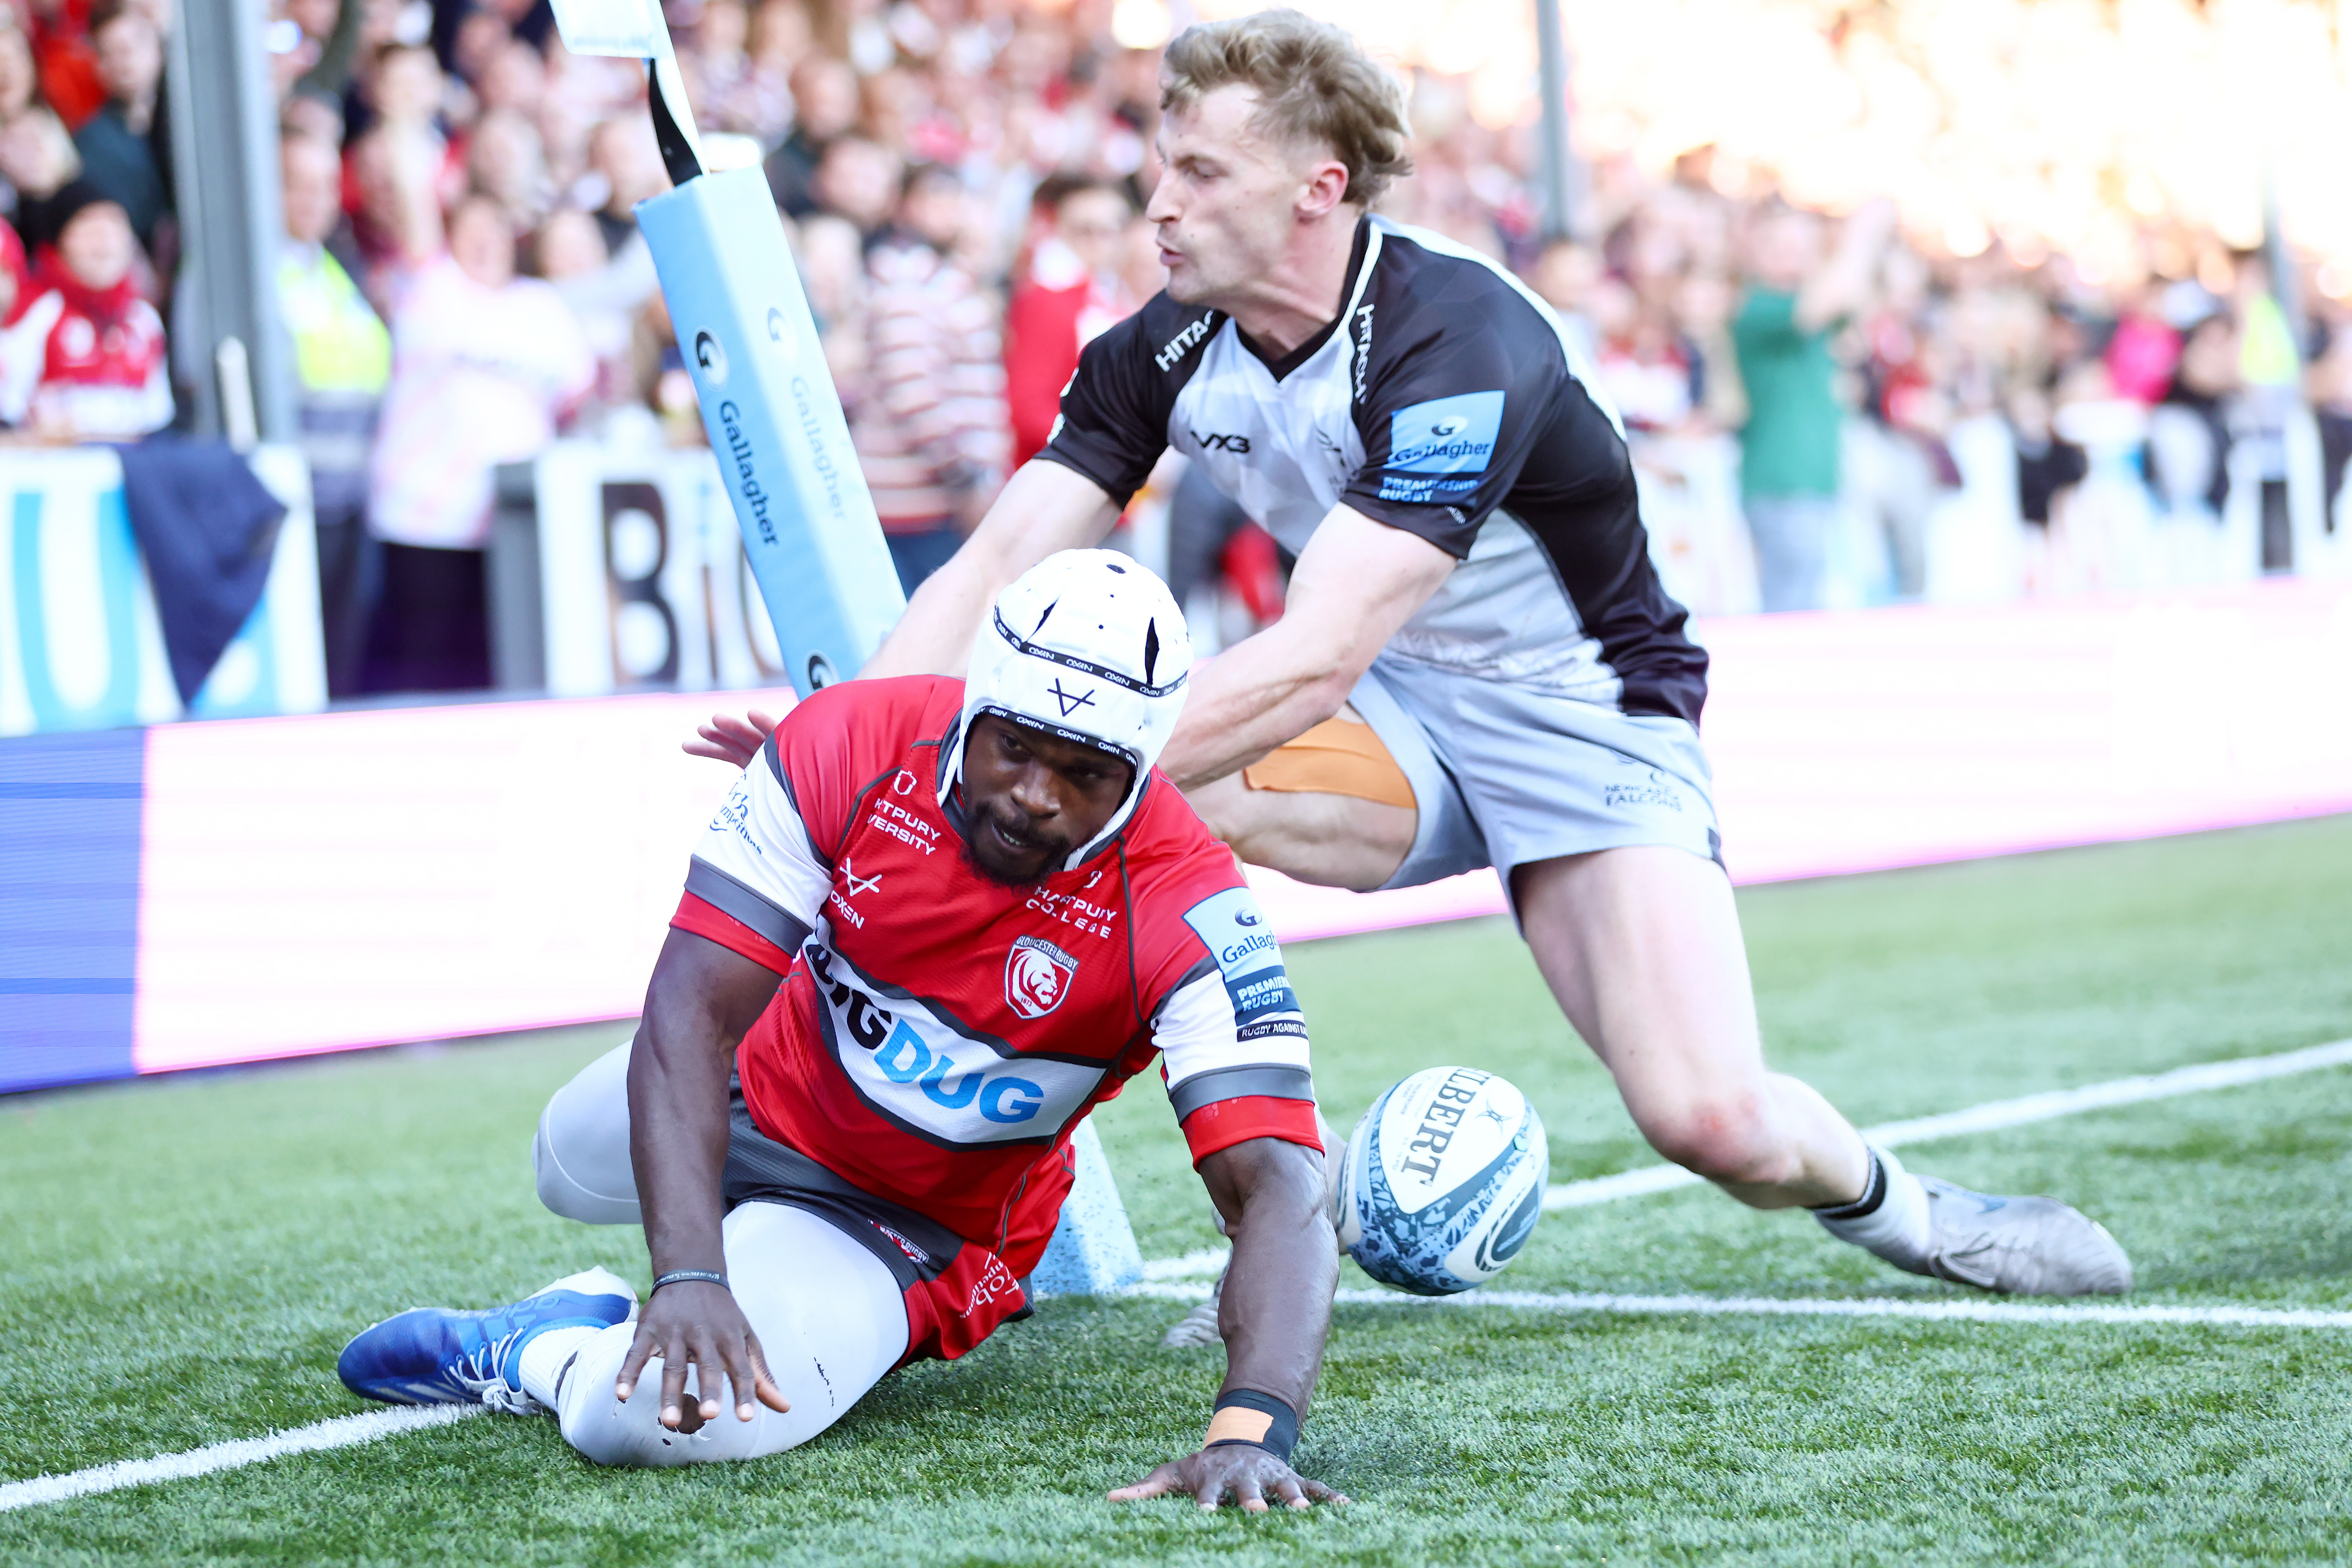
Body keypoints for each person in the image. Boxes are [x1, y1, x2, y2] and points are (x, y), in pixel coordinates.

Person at [775, 11, 2129, 1335]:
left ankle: (1925, 1217)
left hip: (1581, 712)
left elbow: (1312, 654)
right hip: (1396, 714)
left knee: (1709, 1117)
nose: (1156, 202)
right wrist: (856, 751)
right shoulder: (1165, 344)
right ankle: (1161, 1193)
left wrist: (975, 785)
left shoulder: (1454, 339)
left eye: (1198, 173)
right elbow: (997, 555)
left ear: (1319, 188)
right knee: (1153, 808)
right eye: (1158, 164)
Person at [337, 554, 1346, 1512]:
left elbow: (1280, 1183)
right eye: (1018, 748)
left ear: (1142, 762)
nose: (1038, 794)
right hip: (759, 1085)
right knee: (566, 1153)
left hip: (901, 1216)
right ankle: (691, 1256)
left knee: (643, 1419)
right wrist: (690, 1271)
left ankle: (548, 1344)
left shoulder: (1194, 905)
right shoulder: (847, 742)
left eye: (1085, 771)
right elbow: (688, 1008)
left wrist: (1253, 1428)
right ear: (973, 702)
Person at [364, 192, 590, 691]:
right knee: (423, 667)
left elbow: (577, 391)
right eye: (471, 232)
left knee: (499, 669)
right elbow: (413, 215)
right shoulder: (432, 290)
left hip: (514, 527)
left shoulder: (541, 306)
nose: (484, 242)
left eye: (494, 229)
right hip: (426, 521)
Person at [850, 162, 1009, 592]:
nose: (949, 209)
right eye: (934, 197)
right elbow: (915, 399)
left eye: (954, 196)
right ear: (903, 208)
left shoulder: (938, 282)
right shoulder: (906, 286)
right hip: (919, 510)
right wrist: (968, 480)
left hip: (935, 506)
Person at [1731, 199, 1893, 611]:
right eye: (1782, 248)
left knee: (1812, 602)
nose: (1796, 259)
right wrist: (1862, 233)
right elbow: (1830, 297)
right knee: (1790, 605)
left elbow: (1850, 296)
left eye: (1802, 248)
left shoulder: (1802, 308)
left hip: (1816, 478)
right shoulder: (1758, 308)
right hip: (1782, 480)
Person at [278, 130, 390, 699]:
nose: (313, 199)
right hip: (291, 506)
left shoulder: (336, 270)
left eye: (324, 186)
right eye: (297, 185)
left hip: (349, 502)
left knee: (341, 663)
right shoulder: (254, 273)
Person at [0, 180, 168, 439]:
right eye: (89, 231)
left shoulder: (144, 319)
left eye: (114, 230)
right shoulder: (35, 312)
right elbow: (8, 414)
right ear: (61, 240)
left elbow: (158, 420)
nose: (104, 244)